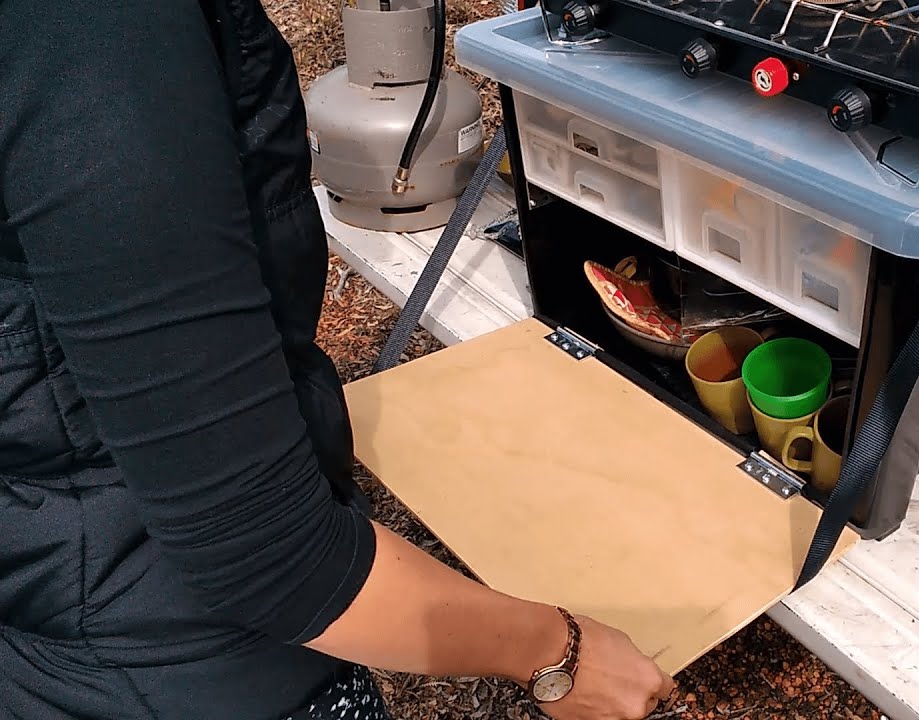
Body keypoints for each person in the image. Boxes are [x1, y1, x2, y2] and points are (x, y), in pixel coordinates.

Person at [0, 1, 675, 718]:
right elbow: (266, 553)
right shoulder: (96, 33)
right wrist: (558, 655)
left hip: (44, 590)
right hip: (180, 664)